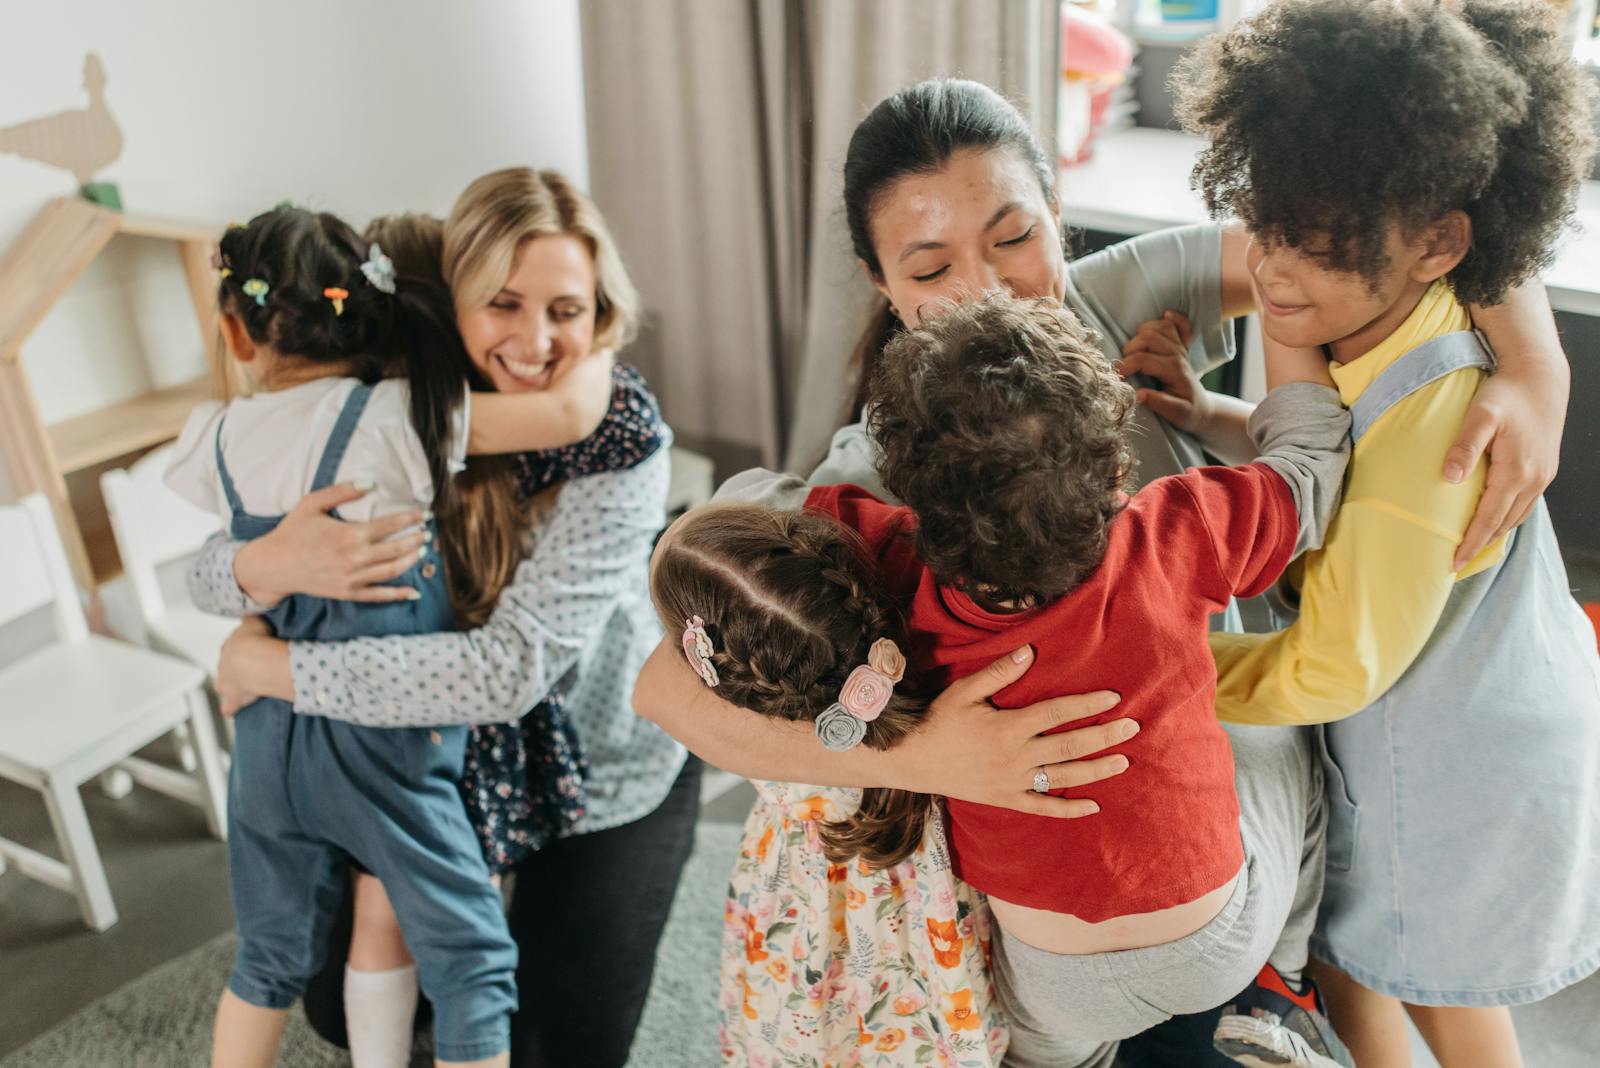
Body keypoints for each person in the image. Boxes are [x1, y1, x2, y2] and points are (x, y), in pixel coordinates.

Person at [631, 76, 1575, 1066]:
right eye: (931, 266)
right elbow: (665, 687)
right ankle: (1272, 981)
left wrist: (1533, 364)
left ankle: (1273, 985)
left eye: (1012, 237)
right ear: (884, 285)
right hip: (1068, 908)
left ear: (1058, 217)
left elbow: (1374, 221)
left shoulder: (1113, 294)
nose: (989, 287)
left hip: (1192, 863)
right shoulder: (878, 461)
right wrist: (917, 759)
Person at [1141, 3, 1600, 1065]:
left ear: (1439, 243)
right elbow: (1334, 458)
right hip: (1468, 710)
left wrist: (1160, 667)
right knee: (1353, 965)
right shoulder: (1396, 327)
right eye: (1265, 225)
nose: (1274, 270)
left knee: (1438, 991)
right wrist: (1211, 415)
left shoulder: (1435, 444)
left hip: (1456, 761)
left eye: (1322, 244)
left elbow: (1330, 667)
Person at [188, 169, 698, 1068]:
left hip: (602, 760)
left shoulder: (614, 431)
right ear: (450, 309)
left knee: (560, 1047)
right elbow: (210, 562)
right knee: (338, 1004)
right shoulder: (391, 412)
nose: (535, 340)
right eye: (501, 304)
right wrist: (258, 568)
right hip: (427, 749)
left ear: (599, 313)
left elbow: (508, 671)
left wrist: (273, 669)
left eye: (566, 311)